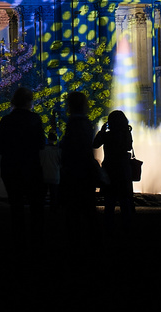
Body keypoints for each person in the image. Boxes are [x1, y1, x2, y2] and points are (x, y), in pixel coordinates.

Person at [0, 87, 47, 240]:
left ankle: (18, 238)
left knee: (16, 206)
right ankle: (36, 238)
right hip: (31, 167)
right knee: (36, 206)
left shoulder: (6, 120)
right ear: (29, 102)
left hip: (11, 168)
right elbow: (41, 144)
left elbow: (0, 147)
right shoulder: (35, 119)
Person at [59, 91, 99, 242]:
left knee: (74, 211)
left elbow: (76, 148)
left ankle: (76, 242)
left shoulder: (76, 123)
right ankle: (92, 240)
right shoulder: (84, 123)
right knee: (88, 211)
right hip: (84, 172)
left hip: (76, 173)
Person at [94, 109, 136, 231]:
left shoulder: (107, 135)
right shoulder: (126, 133)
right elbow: (128, 147)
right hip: (123, 169)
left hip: (110, 169)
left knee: (109, 201)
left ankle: (108, 226)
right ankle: (127, 226)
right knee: (125, 200)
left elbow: (95, 144)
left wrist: (102, 131)